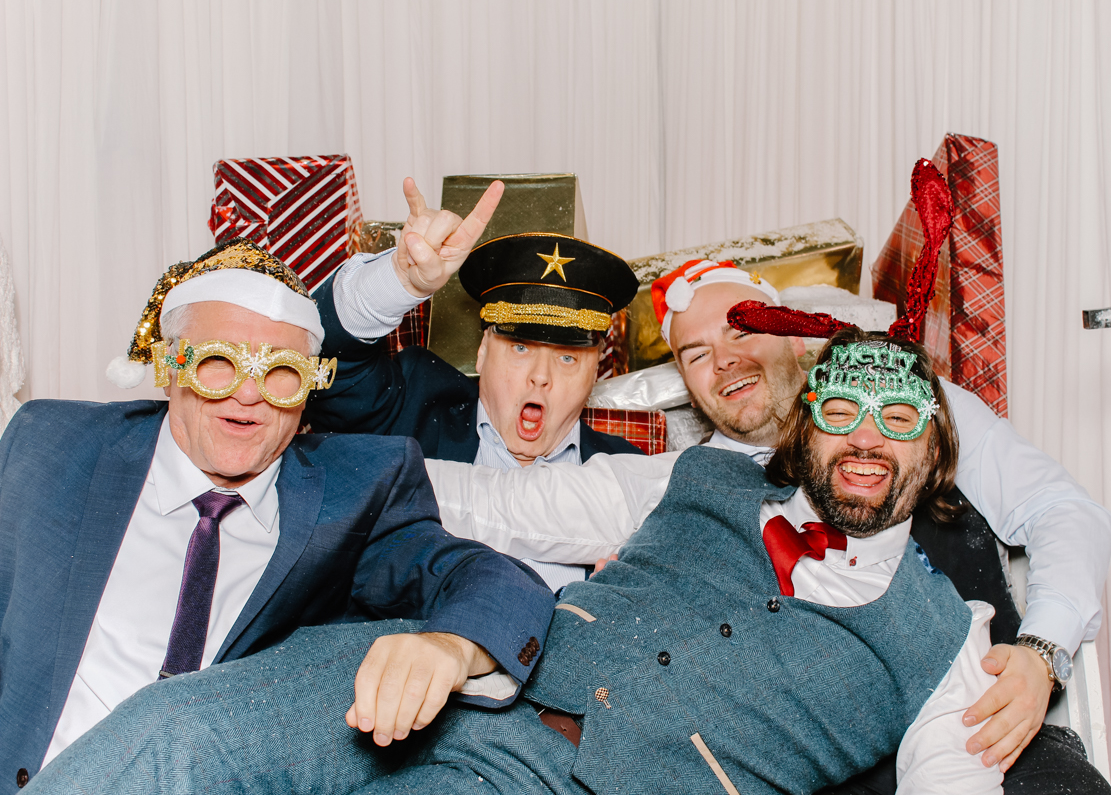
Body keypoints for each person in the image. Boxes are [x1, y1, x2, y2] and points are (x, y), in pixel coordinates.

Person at [29, 330, 1004, 795]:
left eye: (898, 417)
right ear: (806, 428)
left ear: (937, 449)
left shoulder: (944, 642)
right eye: (841, 410)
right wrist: (295, 459)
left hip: (572, 787)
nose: (865, 435)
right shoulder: (695, 471)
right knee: (172, 734)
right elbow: (503, 507)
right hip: (462, 664)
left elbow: (954, 783)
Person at [424, 268, 1111, 785]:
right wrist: (342, 471)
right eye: (694, 354)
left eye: (741, 327)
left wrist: (1041, 651)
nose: (722, 358)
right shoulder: (693, 475)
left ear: (795, 335)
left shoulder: (904, 399)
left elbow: (1063, 510)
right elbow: (510, 507)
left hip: (973, 710)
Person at [0, 239, 554, 793]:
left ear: (310, 385)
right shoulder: (53, 444)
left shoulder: (358, 489)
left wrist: (450, 647)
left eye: (281, 372)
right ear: (169, 365)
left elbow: (493, 580)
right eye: (218, 362)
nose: (249, 395)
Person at [304, 179, 643, 591]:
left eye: (568, 356)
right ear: (483, 351)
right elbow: (324, 367)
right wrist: (398, 281)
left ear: (596, 370)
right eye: (520, 347)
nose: (541, 375)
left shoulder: (628, 472)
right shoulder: (415, 405)